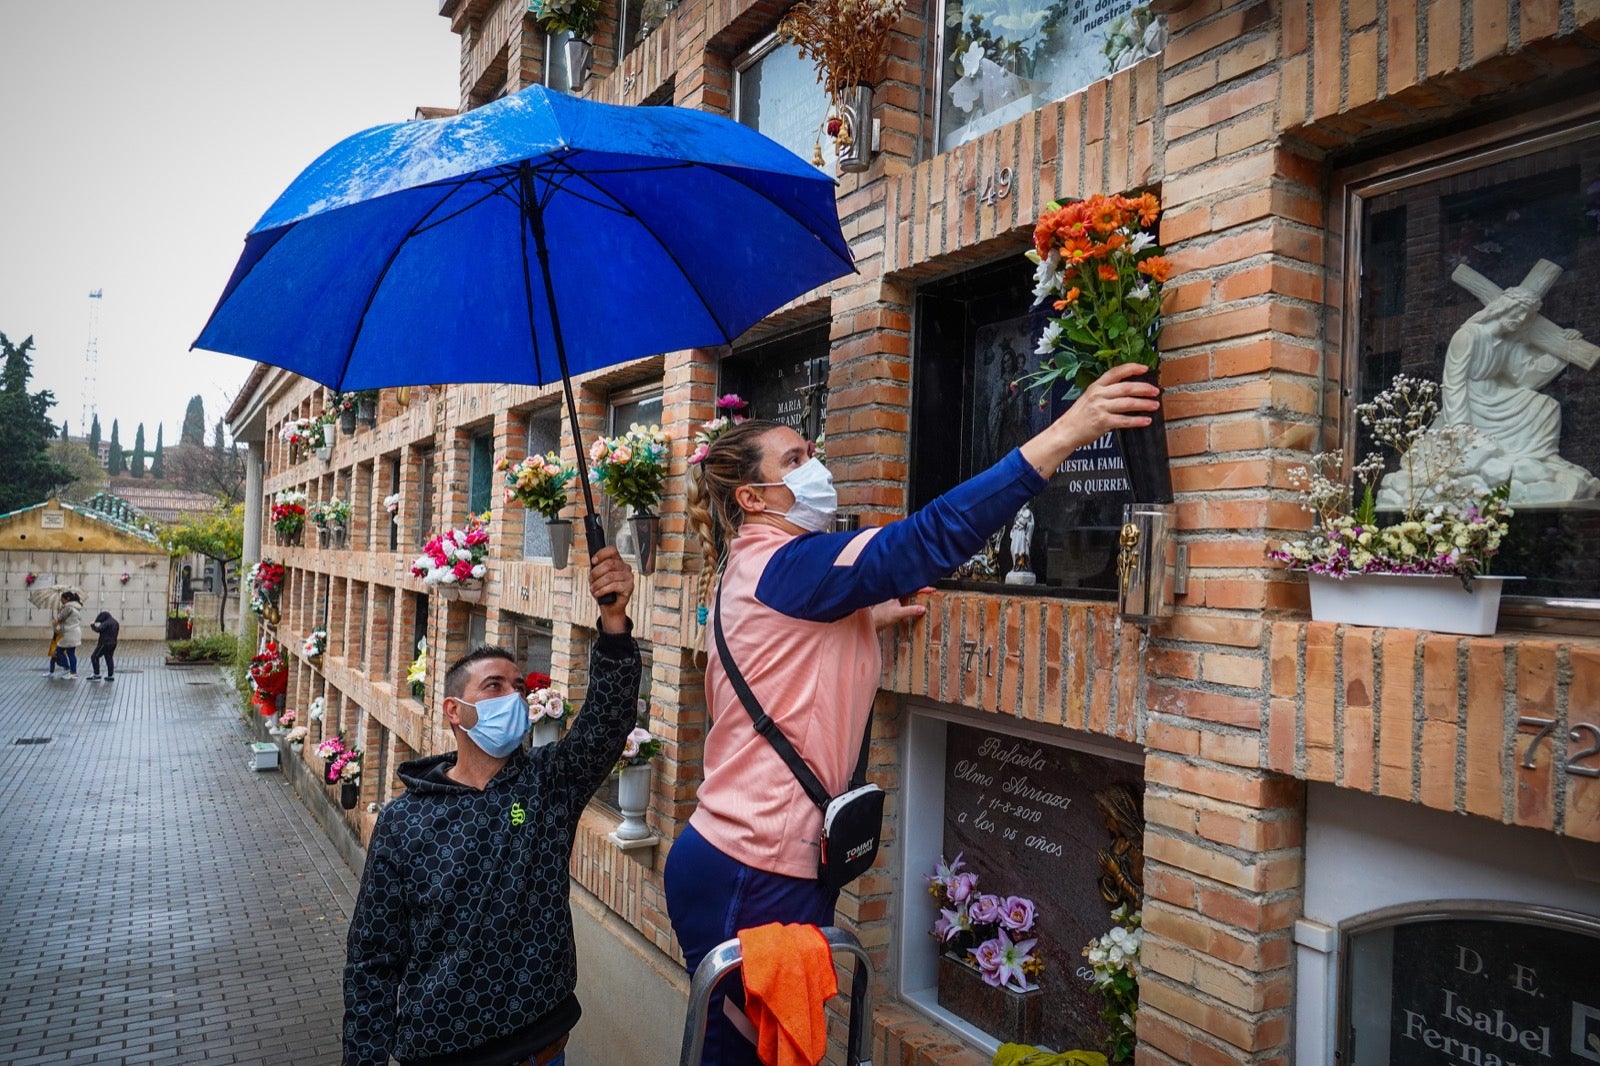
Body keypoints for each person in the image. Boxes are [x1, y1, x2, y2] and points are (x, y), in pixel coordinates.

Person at [668, 363, 1159, 1066]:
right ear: (752, 495)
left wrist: (866, 616)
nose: (817, 467)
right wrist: (1067, 433)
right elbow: (929, 537)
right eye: (796, 460)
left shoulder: (758, 566)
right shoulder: (791, 566)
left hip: (751, 860)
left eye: (813, 452)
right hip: (751, 869)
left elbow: (786, 646)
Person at [342, 546, 641, 1066]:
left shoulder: (545, 789)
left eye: (518, 687)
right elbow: (372, 959)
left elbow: (606, 724)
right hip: (444, 1053)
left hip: (544, 1048)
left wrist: (613, 622)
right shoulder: (403, 822)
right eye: (495, 686)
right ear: (456, 712)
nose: (513, 698)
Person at [51, 592, 84, 680]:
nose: (61, 601)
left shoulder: (68, 607)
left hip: (69, 633)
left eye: (62, 599)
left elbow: (60, 618)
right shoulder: (76, 607)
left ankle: (69, 669)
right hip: (74, 632)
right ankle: (72, 671)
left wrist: (59, 612)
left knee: (59, 651)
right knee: (70, 653)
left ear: (67, 599)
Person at [87, 610, 120, 681]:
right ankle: (110, 675)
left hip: (104, 643)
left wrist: (93, 625)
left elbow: (98, 629)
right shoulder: (115, 622)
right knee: (109, 658)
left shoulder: (106, 623)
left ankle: (96, 674)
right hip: (113, 643)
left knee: (94, 657)